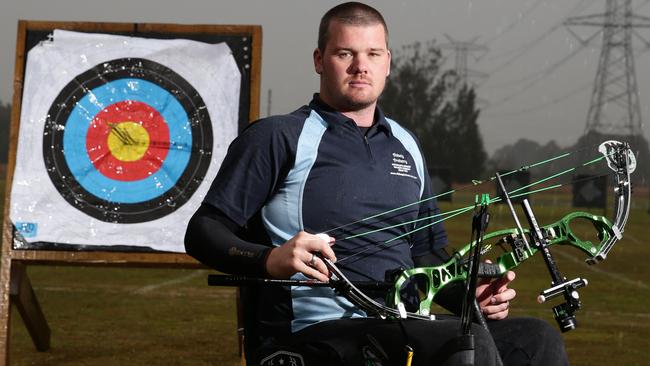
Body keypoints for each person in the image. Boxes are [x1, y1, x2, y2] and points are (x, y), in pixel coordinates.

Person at [185, 2, 568, 365]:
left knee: (536, 340)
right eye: (344, 54)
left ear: (388, 64)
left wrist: (470, 296)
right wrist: (270, 259)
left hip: (403, 325)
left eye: (372, 54)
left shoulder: (406, 143)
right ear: (319, 61)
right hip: (313, 334)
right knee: (464, 342)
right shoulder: (278, 136)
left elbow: (427, 255)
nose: (360, 67)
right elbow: (203, 231)